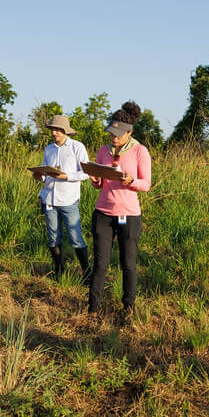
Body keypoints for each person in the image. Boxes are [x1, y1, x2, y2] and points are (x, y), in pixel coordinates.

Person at [87, 101, 151, 320]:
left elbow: (147, 184)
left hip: (128, 215)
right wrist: (95, 180)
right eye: (111, 132)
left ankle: (128, 308)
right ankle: (93, 310)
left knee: (128, 264)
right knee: (100, 264)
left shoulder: (139, 151)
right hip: (103, 213)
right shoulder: (103, 151)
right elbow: (100, 184)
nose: (113, 137)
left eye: (118, 134)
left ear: (129, 132)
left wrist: (131, 181)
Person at [33, 114, 90, 280]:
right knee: (53, 237)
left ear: (65, 131)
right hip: (49, 198)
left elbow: (86, 173)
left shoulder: (77, 147)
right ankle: (59, 272)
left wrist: (67, 176)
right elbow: (46, 173)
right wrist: (40, 176)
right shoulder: (48, 149)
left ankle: (87, 274)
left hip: (68, 199)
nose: (54, 133)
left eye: (58, 130)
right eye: (52, 129)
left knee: (75, 237)